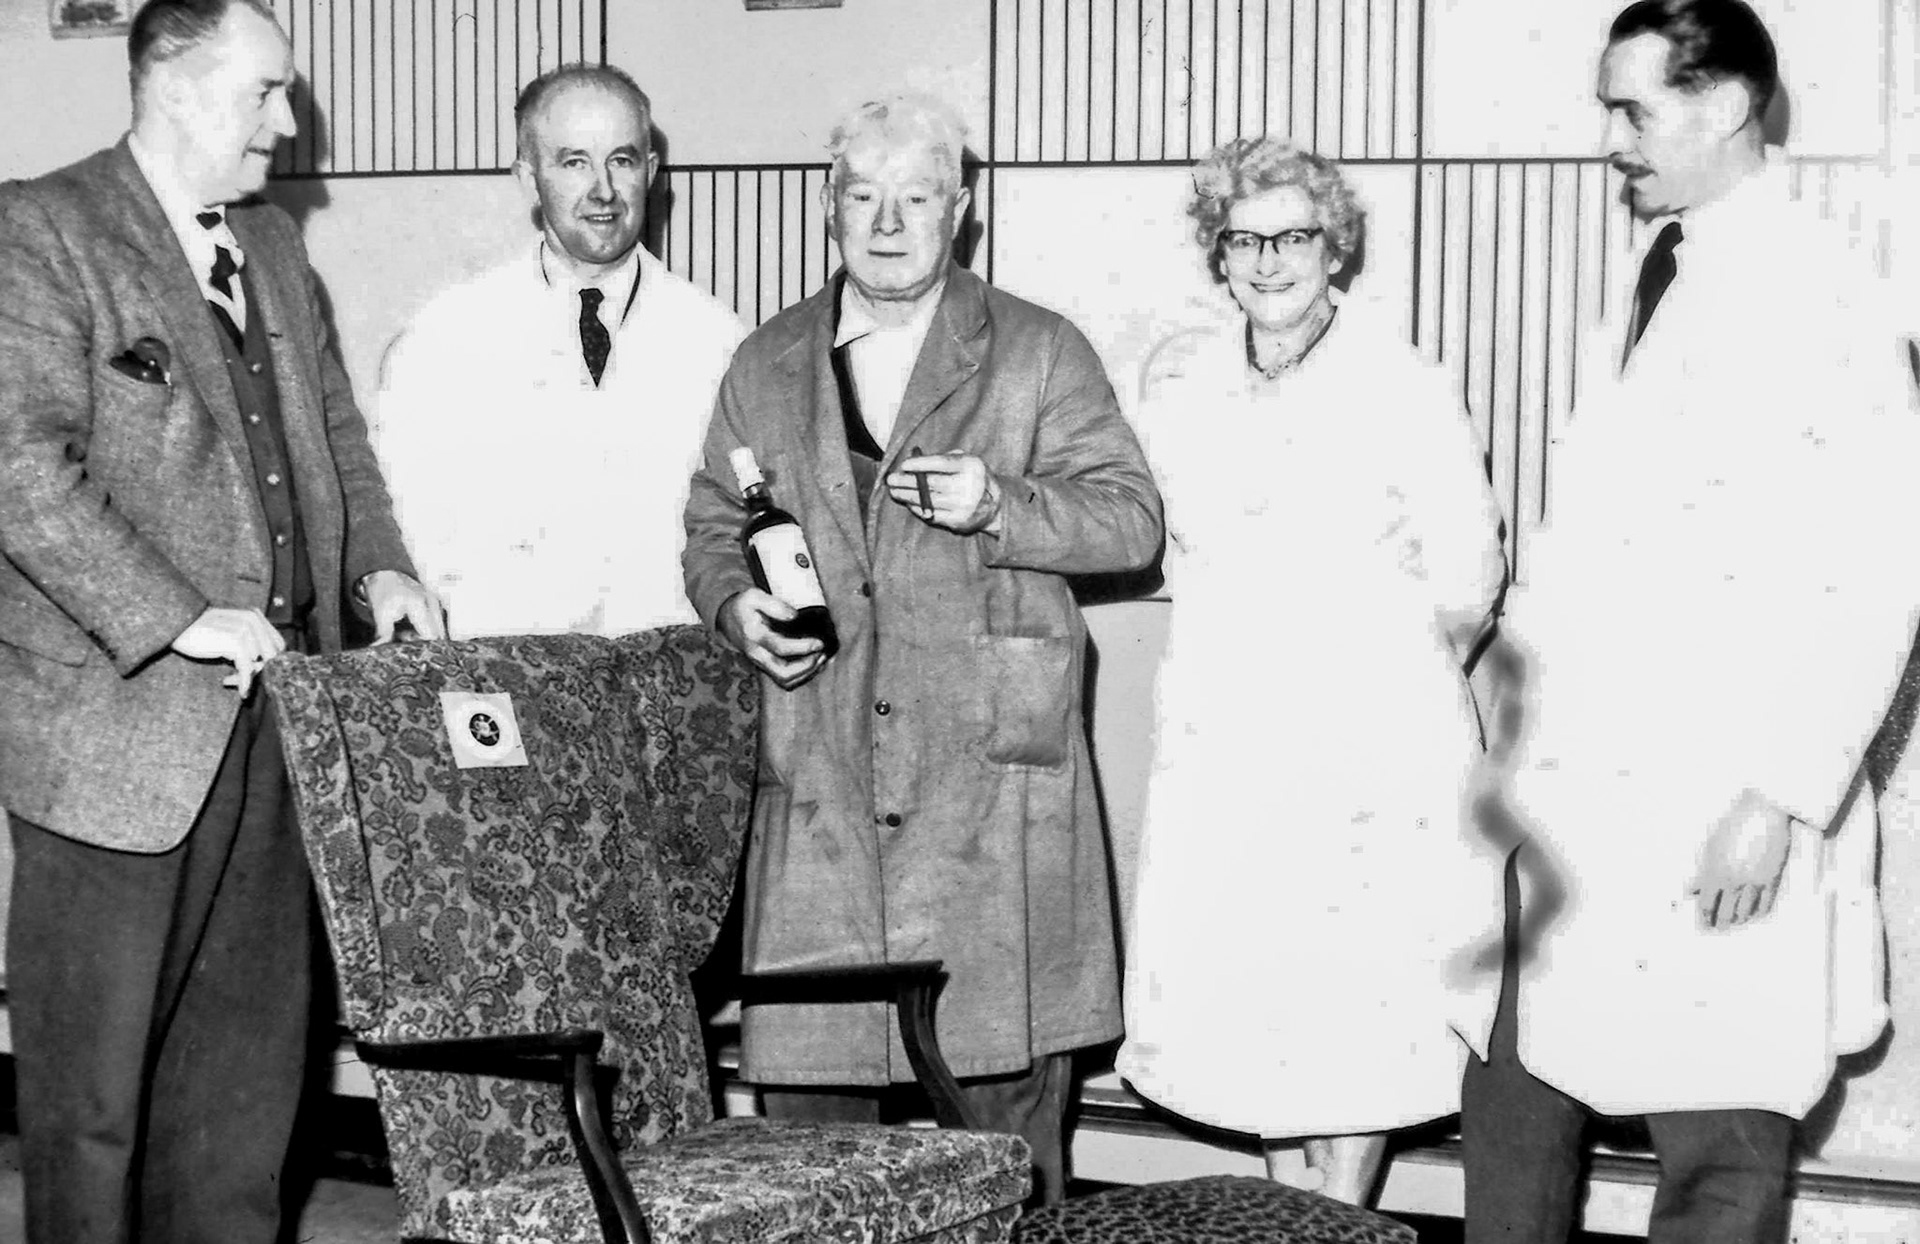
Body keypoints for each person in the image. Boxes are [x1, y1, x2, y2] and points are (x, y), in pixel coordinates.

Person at [1459, 3, 1920, 1241]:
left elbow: (1881, 570)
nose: (1611, 140)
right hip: (1574, 788)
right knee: (1513, 1102)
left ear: (1723, 105)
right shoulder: (1657, 270)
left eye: (1633, 110)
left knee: (1718, 1148)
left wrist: (1780, 794)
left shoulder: (1826, 291)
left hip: (1723, 796)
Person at [0, 1, 445, 1240]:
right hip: (112, 741)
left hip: (277, 730)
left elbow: (336, 437)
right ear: (173, 84)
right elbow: (17, 468)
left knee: (243, 1093)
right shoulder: (41, 228)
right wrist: (181, 614)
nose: (288, 122)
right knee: (93, 1106)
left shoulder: (276, 249)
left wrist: (383, 569)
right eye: (266, 91)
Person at [681, 92, 1163, 1204]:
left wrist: (1002, 502)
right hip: (822, 790)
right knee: (806, 1160)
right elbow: (712, 522)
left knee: (1004, 1145)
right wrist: (732, 606)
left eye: (917, 196)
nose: (889, 223)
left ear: (962, 207)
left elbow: (1131, 521)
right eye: (864, 196)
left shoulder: (1037, 349)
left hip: (989, 803)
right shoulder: (765, 359)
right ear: (830, 206)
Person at [1114, 138, 1508, 1206]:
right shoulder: (1183, 382)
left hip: (1371, 740)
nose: (1269, 261)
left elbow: (1470, 573)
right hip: (1232, 741)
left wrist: (1376, 683)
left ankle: (1338, 1222)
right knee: (1257, 1008)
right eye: (1244, 240)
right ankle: (1296, 1221)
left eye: (1293, 236)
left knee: (1356, 1008)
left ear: (1335, 248)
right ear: (1218, 255)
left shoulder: (1402, 379)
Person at [376, 63, 744, 639]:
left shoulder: (720, 341)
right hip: (503, 668)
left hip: (670, 669)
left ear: (650, 172)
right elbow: (403, 536)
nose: (603, 190)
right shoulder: (441, 340)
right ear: (529, 179)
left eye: (621, 160)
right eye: (575, 162)